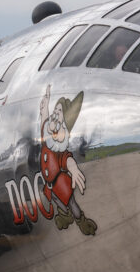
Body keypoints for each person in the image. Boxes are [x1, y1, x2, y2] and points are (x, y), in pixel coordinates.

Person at [39, 85, 97, 235]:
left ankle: (82, 222)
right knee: (58, 202)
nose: (56, 113)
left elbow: (66, 158)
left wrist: (74, 168)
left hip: (60, 180)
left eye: (60, 111)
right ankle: (66, 217)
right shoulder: (47, 133)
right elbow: (44, 120)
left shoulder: (59, 143)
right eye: (55, 110)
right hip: (50, 184)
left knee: (71, 203)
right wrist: (45, 106)